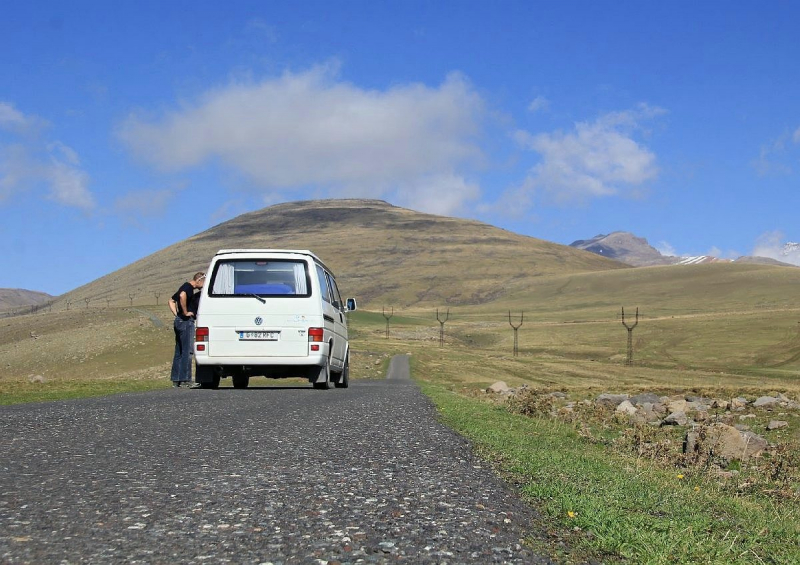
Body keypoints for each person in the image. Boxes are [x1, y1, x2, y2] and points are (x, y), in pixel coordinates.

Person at [169, 272, 205, 387]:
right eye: (203, 282)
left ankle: (176, 379)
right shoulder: (188, 288)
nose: (204, 285)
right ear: (198, 280)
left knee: (179, 351)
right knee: (187, 351)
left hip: (178, 321)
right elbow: (182, 296)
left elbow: (171, 301)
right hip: (185, 322)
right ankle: (186, 379)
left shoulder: (184, 286)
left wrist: (177, 315)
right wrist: (185, 313)